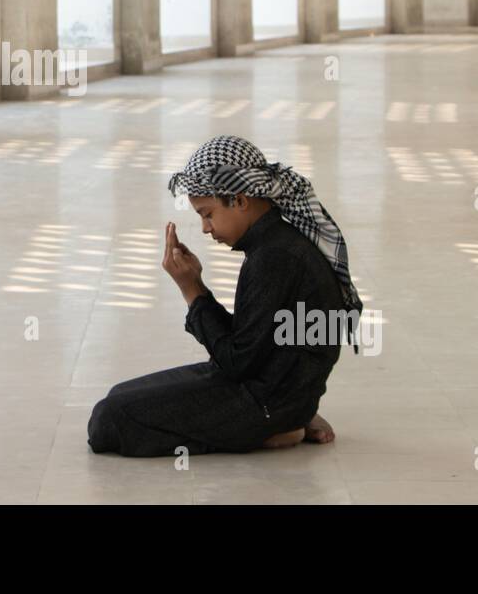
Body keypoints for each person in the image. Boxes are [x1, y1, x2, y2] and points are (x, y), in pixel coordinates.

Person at [87, 135, 363, 457]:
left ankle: (275, 428)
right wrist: (196, 286)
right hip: (275, 386)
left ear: (241, 200)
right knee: (118, 394)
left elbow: (237, 362)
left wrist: (192, 292)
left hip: (264, 399)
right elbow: (249, 343)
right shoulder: (277, 243)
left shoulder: (274, 257)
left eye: (208, 214)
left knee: (111, 419)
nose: (206, 228)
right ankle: (292, 415)